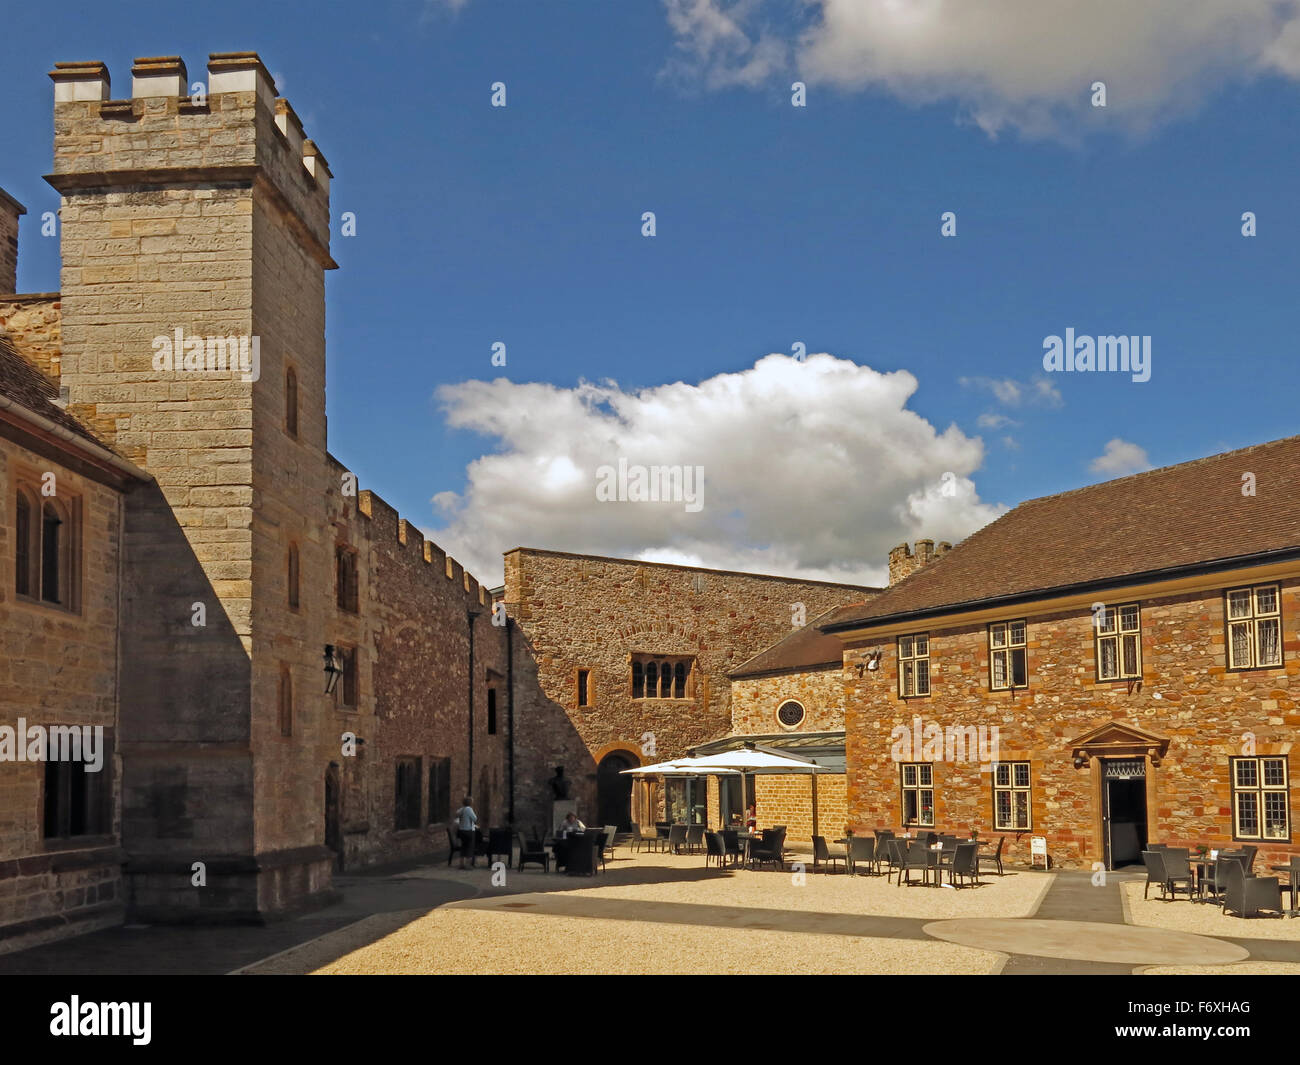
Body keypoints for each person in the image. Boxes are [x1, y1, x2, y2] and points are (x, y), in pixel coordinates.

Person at [454, 795, 478, 869]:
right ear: (470, 803)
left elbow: (457, 816)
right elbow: (475, 818)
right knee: (469, 847)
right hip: (469, 831)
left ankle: (461, 864)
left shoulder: (461, 809)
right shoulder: (469, 809)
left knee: (463, 847)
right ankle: (468, 865)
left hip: (462, 831)